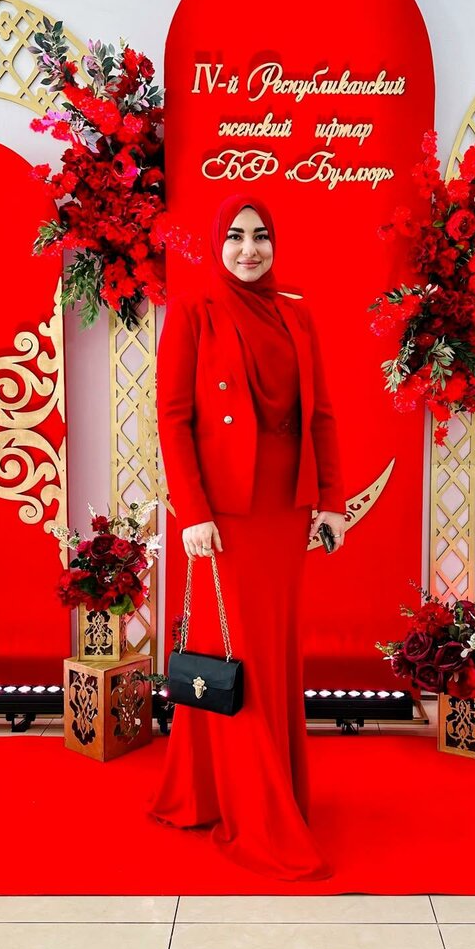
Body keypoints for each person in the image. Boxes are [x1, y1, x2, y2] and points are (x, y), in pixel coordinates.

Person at [146, 191, 347, 880]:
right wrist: (192, 510)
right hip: (225, 515)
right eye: (234, 236)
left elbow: (321, 415)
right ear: (216, 243)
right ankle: (254, 810)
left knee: (270, 648)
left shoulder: (297, 313)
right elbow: (173, 418)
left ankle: (235, 790)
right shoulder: (194, 312)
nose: (249, 249)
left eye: (260, 236)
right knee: (235, 650)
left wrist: (331, 501)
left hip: (285, 512)